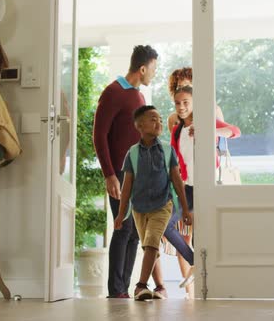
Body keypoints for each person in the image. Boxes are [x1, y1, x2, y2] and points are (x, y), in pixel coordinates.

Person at [93, 45, 158, 299]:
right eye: (153, 69)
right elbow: (99, 135)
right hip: (119, 175)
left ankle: (124, 289)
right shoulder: (113, 92)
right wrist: (109, 174)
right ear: (142, 68)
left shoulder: (139, 97)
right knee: (123, 228)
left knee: (134, 232)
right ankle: (116, 290)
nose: (154, 73)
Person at [114, 105, 193, 301]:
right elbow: (126, 188)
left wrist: (184, 209)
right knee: (150, 248)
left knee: (151, 244)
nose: (158, 122)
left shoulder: (167, 151)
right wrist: (121, 214)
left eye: (159, 119)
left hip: (162, 206)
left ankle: (140, 286)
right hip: (139, 210)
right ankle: (160, 288)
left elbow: (177, 181)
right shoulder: (132, 154)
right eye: (153, 119)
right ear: (139, 126)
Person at [170, 85, 240, 298]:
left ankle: (208, 288)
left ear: (194, 103)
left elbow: (235, 131)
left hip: (207, 186)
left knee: (204, 234)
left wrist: (209, 131)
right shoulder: (176, 130)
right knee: (165, 224)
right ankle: (194, 262)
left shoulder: (208, 123)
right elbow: (176, 162)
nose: (181, 107)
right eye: (178, 103)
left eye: (186, 103)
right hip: (188, 188)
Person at [166, 67, 225, 132]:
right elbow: (176, 141)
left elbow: (222, 138)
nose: (182, 90)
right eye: (179, 87)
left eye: (187, 86)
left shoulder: (214, 110)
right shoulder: (173, 119)